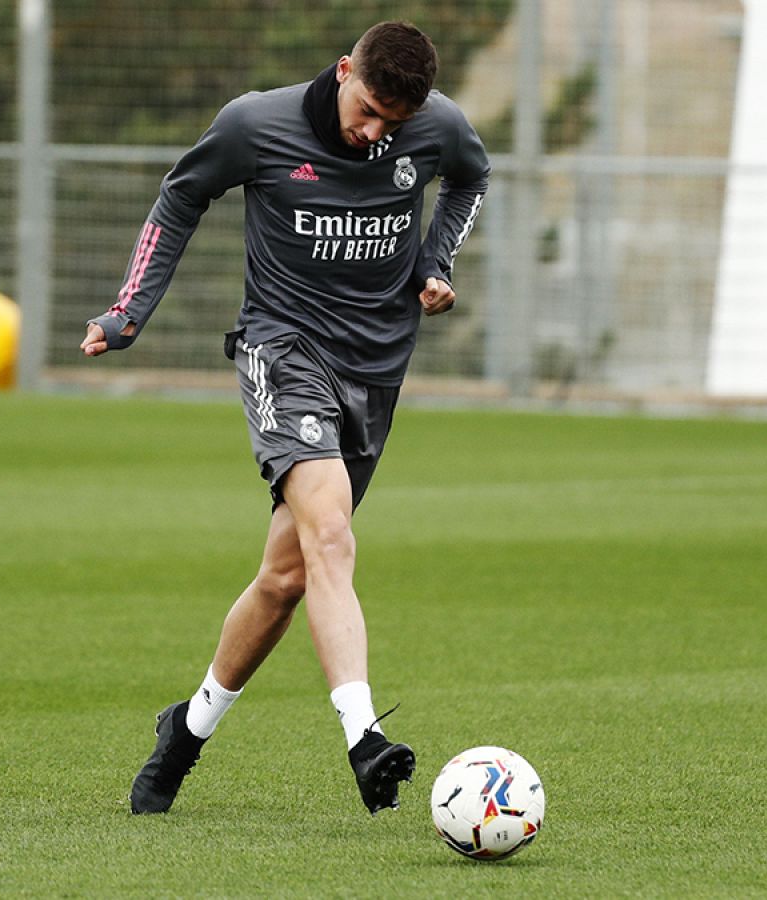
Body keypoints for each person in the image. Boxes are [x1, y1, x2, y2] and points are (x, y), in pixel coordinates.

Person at [81, 20, 489, 816]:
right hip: (283, 348)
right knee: (330, 534)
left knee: (287, 577)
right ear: (343, 71)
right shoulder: (253, 125)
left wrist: (435, 261)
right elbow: (180, 199)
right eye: (367, 111)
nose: (375, 134)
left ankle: (185, 732)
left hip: (377, 369)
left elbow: (470, 179)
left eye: (394, 124)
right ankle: (364, 736)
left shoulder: (438, 125)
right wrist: (129, 311)